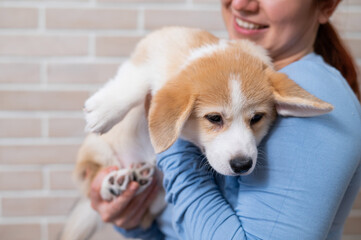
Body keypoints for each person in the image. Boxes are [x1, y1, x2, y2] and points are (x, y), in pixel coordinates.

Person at [89, 0, 361, 239]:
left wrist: (171, 142)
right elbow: (179, 229)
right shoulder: (234, 71)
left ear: (327, 5)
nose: (241, 4)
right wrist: (134, 219)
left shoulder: (309, 87)